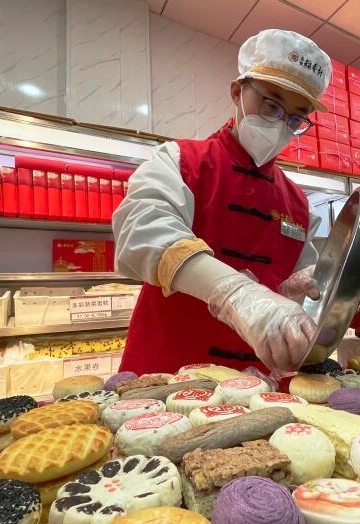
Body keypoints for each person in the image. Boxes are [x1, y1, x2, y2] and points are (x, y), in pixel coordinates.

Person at [113, 29, 332, 376]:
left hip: (259, 388)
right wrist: (235, 294)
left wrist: (286, 292)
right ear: (237, 92)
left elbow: (288, 304)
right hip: (166, 381)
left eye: (295, 118)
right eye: (271, 104)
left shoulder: (301, 205)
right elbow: (142, 237)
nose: (280, 125)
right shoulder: (179, 161)